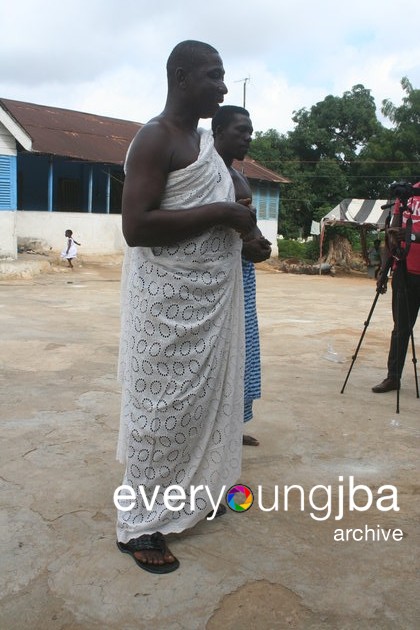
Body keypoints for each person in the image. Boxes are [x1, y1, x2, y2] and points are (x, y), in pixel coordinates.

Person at [116, 41, 256, 573]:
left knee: (198, 411)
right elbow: (137, 227)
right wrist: (222, 212)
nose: (223, 87)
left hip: (209, 306)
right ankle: (138, 526)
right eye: (214, 76)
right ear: (180, 76)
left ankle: (190, 497)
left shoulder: (201, 142)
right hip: (165, 309)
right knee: (160, 413)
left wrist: (240, 229)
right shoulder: (155, 139)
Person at [212, 106, 271, 447]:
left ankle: (234, 425)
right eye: (241, 131)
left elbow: (249, 226)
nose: (248, 138)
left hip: (243, 278)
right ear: (218, 131)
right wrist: (243, 247)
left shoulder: (240, 177)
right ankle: (217, 430)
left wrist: (258, 244)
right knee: (221, 354)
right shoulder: (205, 175)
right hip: (220, 278)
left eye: (250, 132)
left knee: (243, 352)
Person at [372, 182, 420, 393]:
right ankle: (393, 377)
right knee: (400, 329)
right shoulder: (407, 192)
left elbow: (407, 234)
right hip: (404, 272)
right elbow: (392, 235)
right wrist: (384, 269)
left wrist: (411, 236)